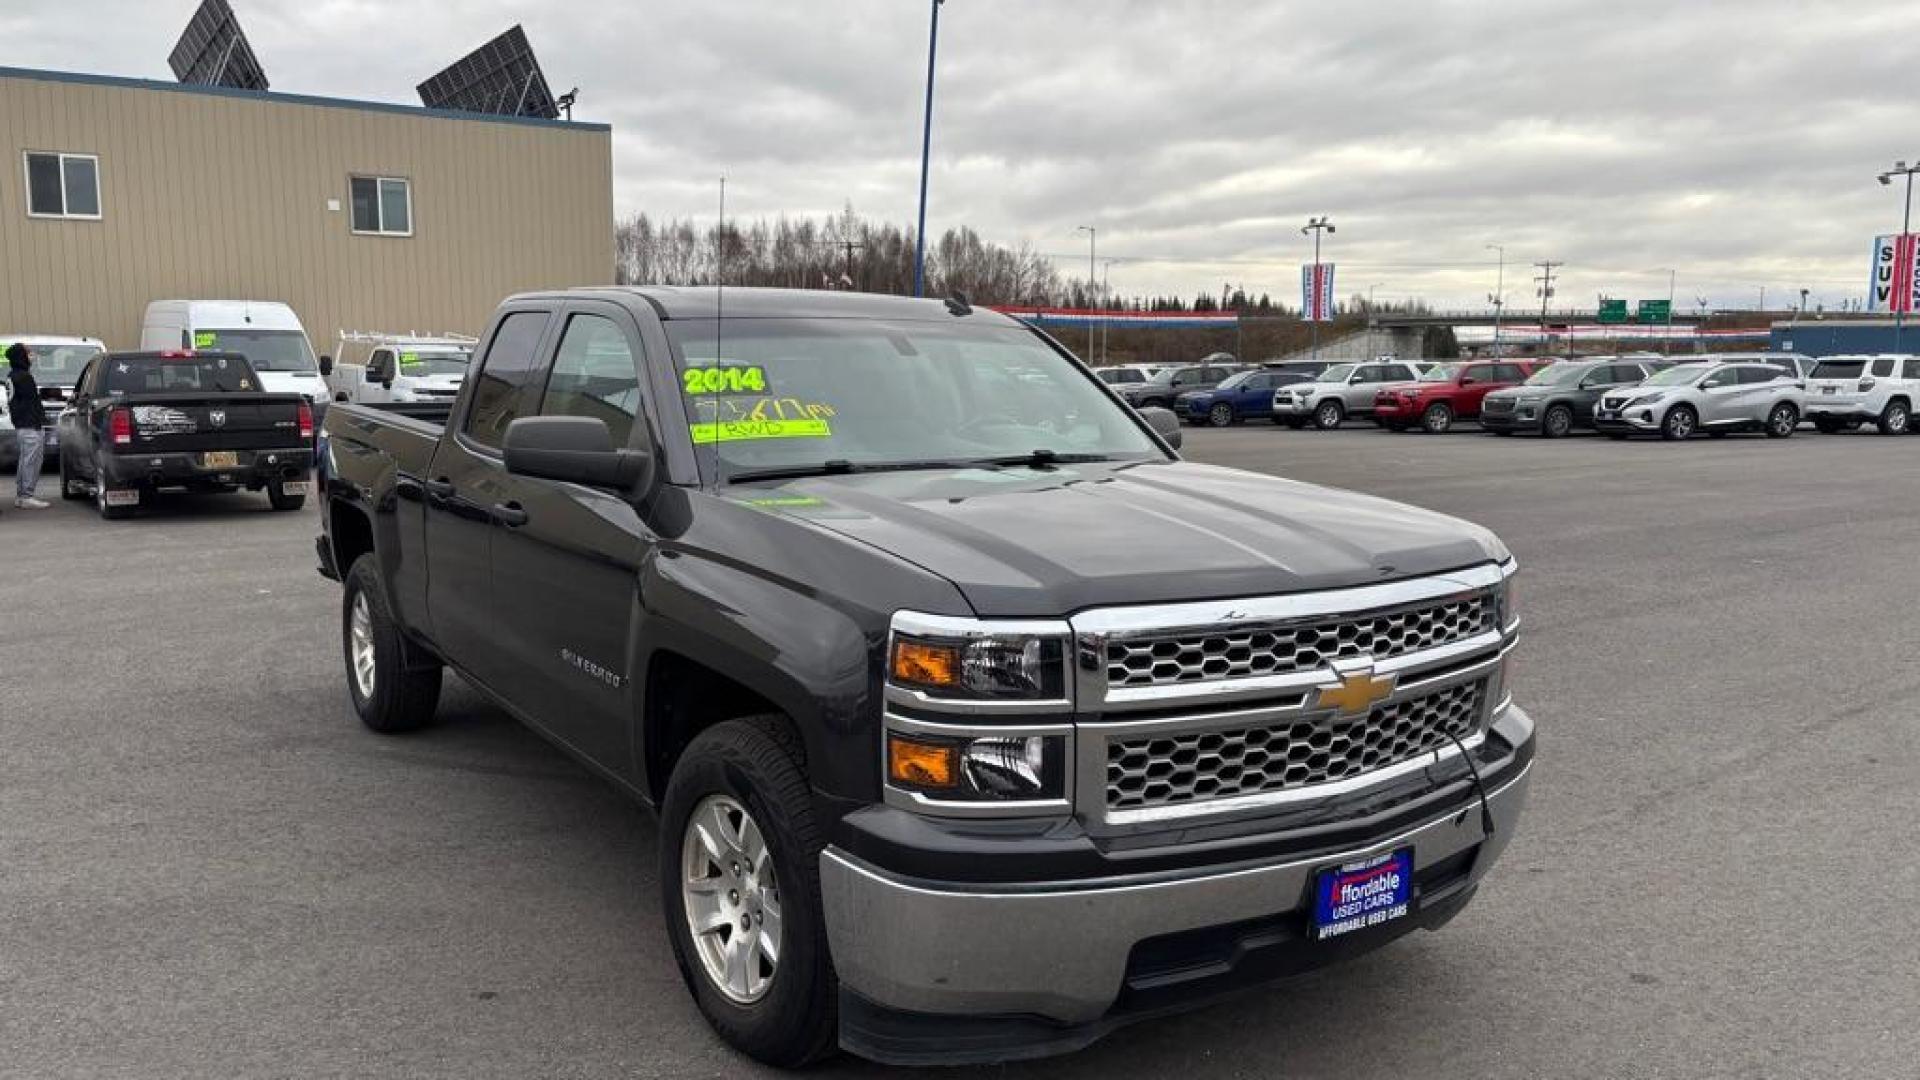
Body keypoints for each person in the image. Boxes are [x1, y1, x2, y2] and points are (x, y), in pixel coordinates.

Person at [6, 342, 49, 509]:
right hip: (29, 425)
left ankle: (22, 495)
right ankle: (26, 496)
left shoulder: (15, 375)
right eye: (28, 352)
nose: (32, 355)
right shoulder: (23, 377)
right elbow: (32, 402)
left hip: (24, 424)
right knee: (31, 461)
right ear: (21, 356)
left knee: (26, 460)